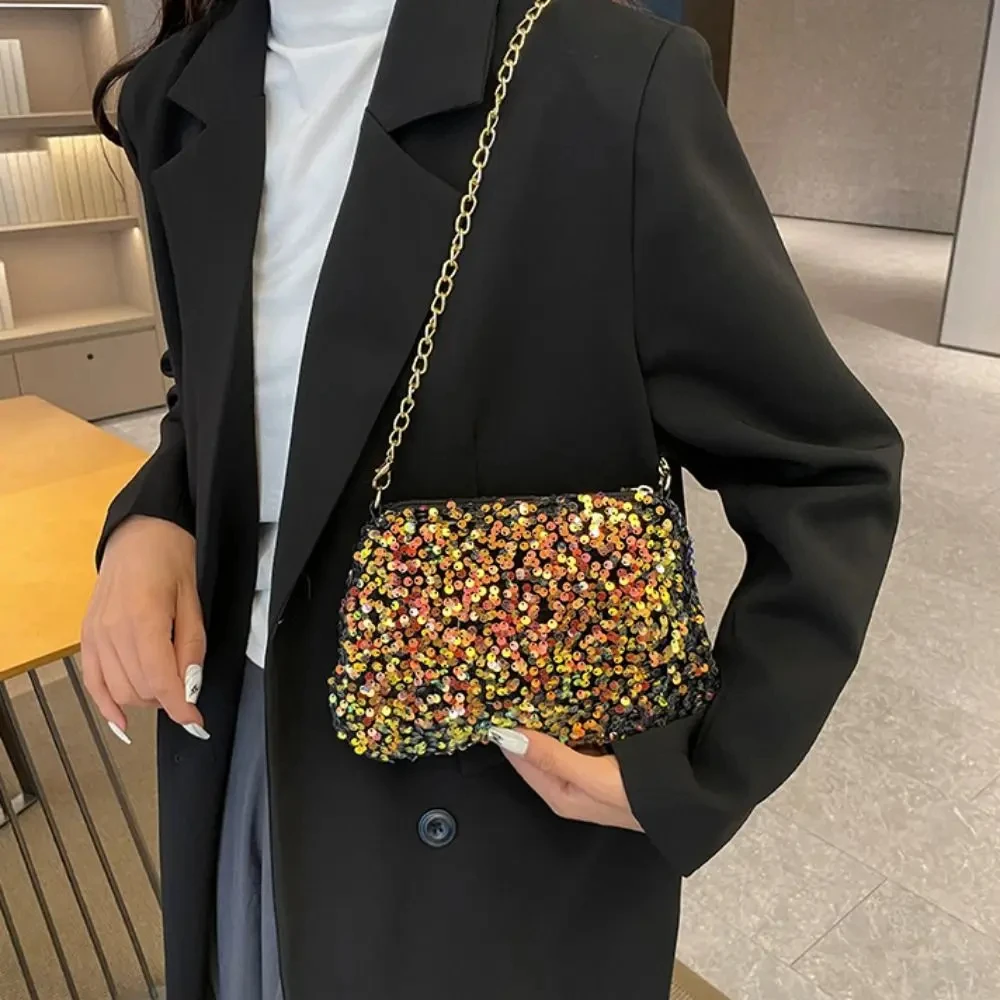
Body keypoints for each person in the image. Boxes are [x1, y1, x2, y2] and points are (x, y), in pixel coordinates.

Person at [82, 0, 903, 997]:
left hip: (490, 811)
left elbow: (823, 466)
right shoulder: (174, 92)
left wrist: (703, 768)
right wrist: (154, 514)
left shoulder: (608, 83)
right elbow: (209, 389)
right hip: (242, 739)